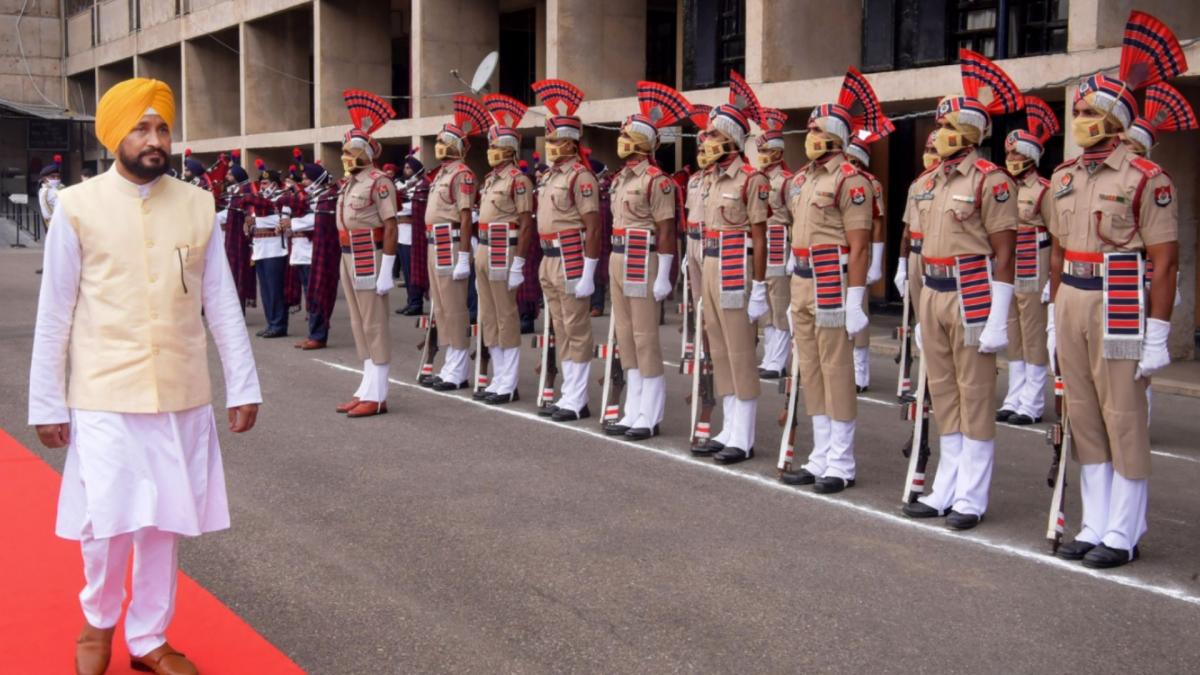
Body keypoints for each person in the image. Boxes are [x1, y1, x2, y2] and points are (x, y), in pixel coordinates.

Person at [29, 77, 260, 675]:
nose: (155, 139)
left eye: (162, 127)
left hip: (181, 389)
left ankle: (149, 638)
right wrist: (46, 402)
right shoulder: (77, 207)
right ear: (114, 135)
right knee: (105, 523)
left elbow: (222, 302)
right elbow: (55, 313)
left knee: (164, 523)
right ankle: (97, 622)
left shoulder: (198, 204)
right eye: (141, 127)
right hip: (104, 391)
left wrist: (244, 384)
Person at [1048, 11, 1185, 568]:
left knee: (1123, 415)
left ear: (1113, 118)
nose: (1077, 119)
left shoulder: (1147, 178)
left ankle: (1124, 532)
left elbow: (1166, 260)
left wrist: (1158, 334)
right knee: (1083, 415)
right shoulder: (1063, 176)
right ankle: (1094, 523)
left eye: (1086, 112)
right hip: (1074, 297)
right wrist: (1053, 307)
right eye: (1076, 111)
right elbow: (1057, 250)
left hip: (1122, 296)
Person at [900, 50, 1020, 530]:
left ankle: (971, 495)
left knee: (974, 393)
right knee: (943, 393)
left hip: (972, 289)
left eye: (947, 123)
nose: (938, 131)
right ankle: (945, 484)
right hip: (932, 291)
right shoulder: (924, 183)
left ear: (970, 132)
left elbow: (1005, 254)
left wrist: (998, 317)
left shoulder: (994, 181)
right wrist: (914, 311)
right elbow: (915, 248)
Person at [778, 68, 892, 493]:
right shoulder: (803, 180)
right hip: (804, 279)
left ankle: (841, 462)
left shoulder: (852, 180)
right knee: (811, 369)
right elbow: (796, 237)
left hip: (832, 279)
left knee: (836, 370)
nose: (809, 134)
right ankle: (820, 454)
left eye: (816, 128)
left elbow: (860, 245)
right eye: (808, 128)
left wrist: (856, 299)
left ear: (837, 136)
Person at [689, 72, 769, 464]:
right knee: (719, 350)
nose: (705, 141)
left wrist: (759, 287)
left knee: (739, 352)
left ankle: (744, 435)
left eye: (713, 135)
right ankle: (729, 426)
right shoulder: (706, 180)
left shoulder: (751, 180)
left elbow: (760, 236)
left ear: (732, 139)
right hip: (710, 265)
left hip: (737, 266)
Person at [601, 81, 687, 439]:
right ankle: (632, 407)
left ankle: (649, 413)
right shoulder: (621, 178)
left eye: (627, 132)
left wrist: (664, 274)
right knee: (625, 336)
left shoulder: (657, 180)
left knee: (644, 336)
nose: (621, 137)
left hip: (643, 254)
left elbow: (666, 230)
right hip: (620, 255)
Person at [530, 78, 604, 422]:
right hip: (549, 258)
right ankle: (568, 393)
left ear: (572, 142)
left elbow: (593, 226)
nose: (551, 144)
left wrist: (589, 272)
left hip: (571, 256)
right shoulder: (548, 176)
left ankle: (577, 398)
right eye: (550, 138)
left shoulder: (581, 177)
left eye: (557, 139)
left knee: (575, 328)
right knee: (559, 327)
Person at [335, 88, 399, 417]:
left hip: (368, 253)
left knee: (374, 324)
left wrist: (387, 269)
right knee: (359, 323)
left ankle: (378, 395)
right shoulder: (350, 182)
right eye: (345, 149)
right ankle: (367, 387)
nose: (345, 154)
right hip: (349, 252)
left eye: (351, 149)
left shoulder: (379, 181)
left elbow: (390, 225)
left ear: (366, 152)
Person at [995, 97, 1059, 426]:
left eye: (1018, 153)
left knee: (1033, 333)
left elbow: (1058, 235)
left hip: (1036, 263)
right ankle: (1013, 396)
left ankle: (1032, 402)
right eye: (1008, 153)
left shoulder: (1046, 190)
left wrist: (1052, 280)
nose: (1012, 159)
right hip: (1009, 265)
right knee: (1013, 332)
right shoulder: (1003, 187)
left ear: (1032, 156)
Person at [418, 95, 487, 391]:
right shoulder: (441, 174)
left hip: (450, 240)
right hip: (435, 241)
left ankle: (459, 368)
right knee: (441, 306)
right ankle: (451, 360)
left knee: (455, 305)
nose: (440, 143)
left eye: (447, 139)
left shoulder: (463, 174)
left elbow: (465, 215)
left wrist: (462, 256)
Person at [473, 93, 535, 405]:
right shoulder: (489, 179)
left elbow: (525, 223)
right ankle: (498, 377)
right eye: (490, 145)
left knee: (506, 316)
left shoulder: (518, 180)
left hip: (503, 247)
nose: (491, 151)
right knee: (489, 315)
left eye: (496, 146)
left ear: (509, 150)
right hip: (484, 247)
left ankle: (508, 382)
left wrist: (519, 264)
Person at [845, 134, 888, 392]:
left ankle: (861, 371)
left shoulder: (870, 183)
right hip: (840, 252)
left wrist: (876, 262)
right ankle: (844, 366)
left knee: (858, 310)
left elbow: (878, 222)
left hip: (860, 251)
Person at [753, 108, 793, 380]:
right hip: (763, 238)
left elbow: (796, 217)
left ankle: (779, 359)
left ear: (778, 152)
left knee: (779, 300)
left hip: (780, 239)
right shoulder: (759, 179)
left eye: (766, 149)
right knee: (764, 302)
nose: (762, 154)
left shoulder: (787, 181)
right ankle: (769, 355)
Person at [287, 152, 338, 350]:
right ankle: (313, 333)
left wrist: (292, 223)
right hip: (301, 252)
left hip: (314, 252)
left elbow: (317, 219)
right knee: (310, 295)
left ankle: (318, 335)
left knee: (317, 294)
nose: (304, 181)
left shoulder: (325, 197)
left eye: (307, 178)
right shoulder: (306, 196)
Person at [245, 159, 290, 338]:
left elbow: (281, 221)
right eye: (260, 183)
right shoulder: (260, 200)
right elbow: (253, 221)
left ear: (274, 184)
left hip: (275, 248)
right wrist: (249, 224)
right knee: (265, 289)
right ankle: (271, 322)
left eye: (265, 183)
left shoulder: (282, 199)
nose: (262, 186)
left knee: (275, 288)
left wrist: (257, 221)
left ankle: (279, 324)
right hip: (260, 249)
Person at [221, 151, 258, 311]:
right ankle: (234, 307)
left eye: (230, 174)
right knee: (231, 273)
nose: (227, 176)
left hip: (240, 241)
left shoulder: (245, 191)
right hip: (231, 239)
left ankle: (239, 308)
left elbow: (251, 214)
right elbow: (227, 214)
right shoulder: (234, 191)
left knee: (240, 273)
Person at [35, 155, 61, 274]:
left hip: (64, 222)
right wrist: (54, 224)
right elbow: (46, 211)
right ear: (45, 179)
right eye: (52, 177)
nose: (56, 178)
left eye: (57, 176)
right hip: (55, 223)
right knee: (53, 247)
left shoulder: (60, 188)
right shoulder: (45, 191)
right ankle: (49, 268)